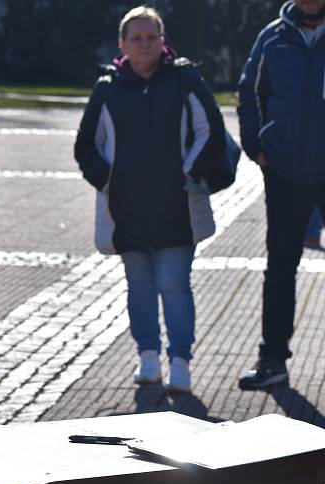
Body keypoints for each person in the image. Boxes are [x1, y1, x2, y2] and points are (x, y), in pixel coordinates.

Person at [75, 6, 227, 394]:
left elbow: (211, 129)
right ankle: (147, 356)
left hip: (177, 208)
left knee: (174, 286)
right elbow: (85, 147)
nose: (145, 44)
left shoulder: (184, 79)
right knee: (140, 288)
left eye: (151, 37)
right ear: (123, 44)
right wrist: (109, 181)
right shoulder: (107, 87)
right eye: (136, 38)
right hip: (126, 212)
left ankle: (180, 362)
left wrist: (188, 173)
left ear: (163, 41)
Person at [237, 0, 325, 390]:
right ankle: (273, 360)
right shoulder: (272, 37)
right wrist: (257, 145)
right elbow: (249, 92)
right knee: (281, 266)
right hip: (285, 169)